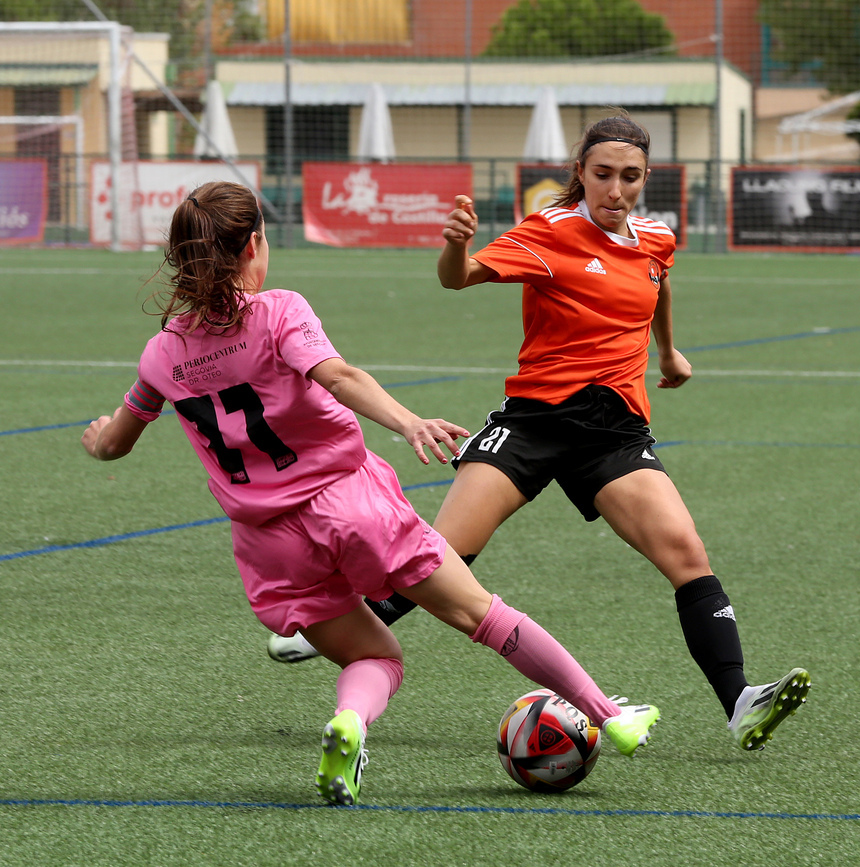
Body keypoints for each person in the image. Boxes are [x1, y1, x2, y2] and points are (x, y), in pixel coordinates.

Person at [80, 180, 660, 807]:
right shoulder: (278, 312)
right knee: (482, 616)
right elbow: (339, 375)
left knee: (377, 656)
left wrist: (96, 441)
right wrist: (410, 422)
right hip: (349, 506)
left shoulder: (161, 354)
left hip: (269, 546)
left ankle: (351, 722)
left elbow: (117, 441)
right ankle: (608, 714)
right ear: (252, 245)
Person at [267, 112, 811, 752]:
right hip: (533, 421)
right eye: (602, 174)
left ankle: (740, 702)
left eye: (629, 177)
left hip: (613, 432)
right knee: (441, 555)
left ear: (645, 179)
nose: (616, 189)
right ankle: (325, 623)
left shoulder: (657, 238)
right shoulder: (546, 232)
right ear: (580, 173)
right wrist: (455, 244)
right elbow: (457, 278)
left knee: (688, 558)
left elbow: (659, 285)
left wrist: (669, 352)